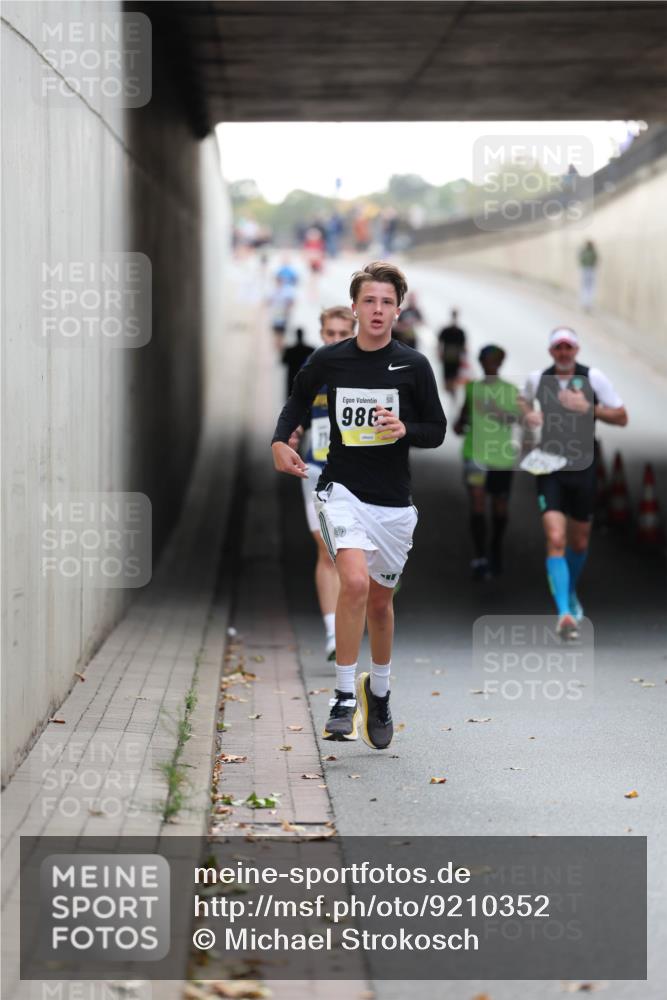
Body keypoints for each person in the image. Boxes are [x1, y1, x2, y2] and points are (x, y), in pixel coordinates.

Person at [272, 261, 446, 749]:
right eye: (368, 301)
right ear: (354, 307)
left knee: (380, 603)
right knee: (351, 580)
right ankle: (344, 696)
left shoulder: (414, 366)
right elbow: (296, 402)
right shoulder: (331, 359)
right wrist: (279, 441)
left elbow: (437, 430)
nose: (377, 310)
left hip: (392, 503)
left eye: (386, 302)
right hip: (341, 490)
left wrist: (406, 429)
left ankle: (381, 692)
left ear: (399, 308)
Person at [520, 327, 627, 639]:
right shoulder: (538, 378)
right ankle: (564, 612)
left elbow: (622, 416)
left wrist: (588, 408)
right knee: (556, 538)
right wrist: (529, 415)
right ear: (551, 351)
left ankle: (569, 593)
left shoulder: (593, 378)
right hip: (550, 467)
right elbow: (522, 399)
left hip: (584, 467)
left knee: (579, 542)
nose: (564, 353)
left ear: (577, 349)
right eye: (558, 348)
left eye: (569, 347)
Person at [288, 308, 356, 660]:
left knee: (353, 553)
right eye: (329, 333)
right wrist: (292, 435)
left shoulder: (366, 370)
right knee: (325, 548)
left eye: (342, 333)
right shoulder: (312, 370)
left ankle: (354, 612)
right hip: (316, 469)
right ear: (321, 333)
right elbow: (296, 413)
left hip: (359, 472)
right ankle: (333, 633)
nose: (334, 339)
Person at [454, 345, 520, 579]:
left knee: (500, 507)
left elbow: (520, 418)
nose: (490, 365)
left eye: (494, 361)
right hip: (475, 455)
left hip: (501, 456)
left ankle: (496, 549)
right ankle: (481, 556)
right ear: (481, 363)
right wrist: (460, 424)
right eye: (486, 361)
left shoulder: (511, 391)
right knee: (478, 504)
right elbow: (461, 419)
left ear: (500, 363)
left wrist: (494, 411)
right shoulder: (472, 388)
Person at [438, 309, 467, 398]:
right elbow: (440, 342)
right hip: (449, 356)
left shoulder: (459, 331)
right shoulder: (451, 331)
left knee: (452, 376)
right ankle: (450, 391)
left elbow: (463, 347)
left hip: (454, 356)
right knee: (449, 376)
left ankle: (451, 391)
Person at [281, 328, 314, 399]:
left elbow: (283, 361)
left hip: (293, 381)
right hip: (304, 382)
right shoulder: (310, 350)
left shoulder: (290, 350)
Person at [578, 240, 598, 312]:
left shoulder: (585, 252)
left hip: (586, 271)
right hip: (590, 271)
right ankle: (587, 304)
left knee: (585, 288)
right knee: (589, 288)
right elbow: (596, 261)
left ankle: (585, 304)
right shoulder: (593, 252)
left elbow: (580, 260)